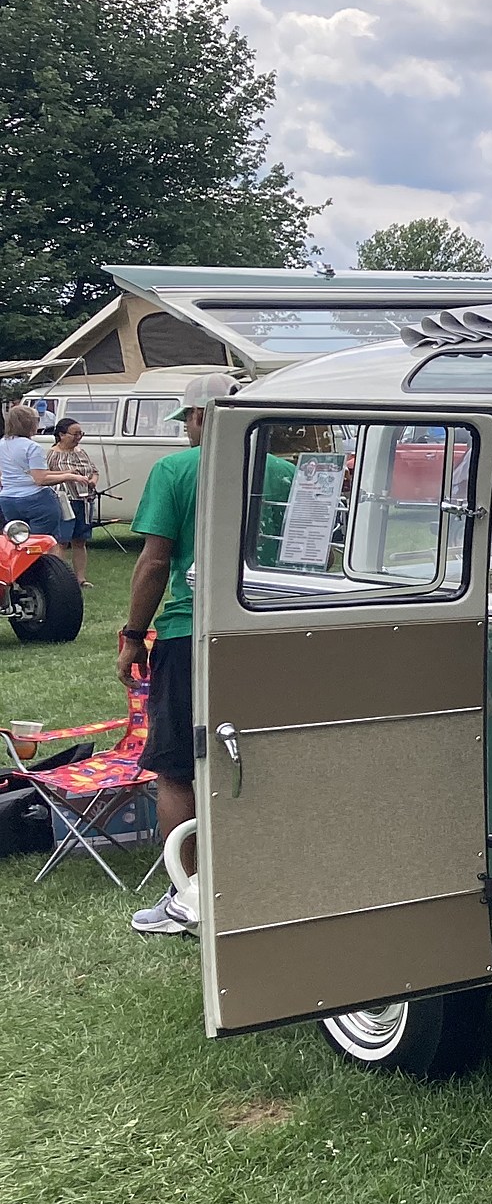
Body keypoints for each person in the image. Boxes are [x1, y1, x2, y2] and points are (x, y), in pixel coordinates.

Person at [124, 373, 237, 938]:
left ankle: (188, 897)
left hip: (186, 633)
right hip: (263, 630)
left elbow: (153, 562)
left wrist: (130, 636)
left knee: (175, 767)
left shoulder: (174, 470)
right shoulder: (285, 471)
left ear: (196, 418)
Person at [0, 405, 79, 537]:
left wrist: (64, 472)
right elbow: (40, 479)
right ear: (30, 423)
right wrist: (69, 477)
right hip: (35, 499)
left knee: (18, 539)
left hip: (8, 499)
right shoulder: (32, 447)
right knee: (44, 540)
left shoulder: (2, 443)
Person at [45, 419, 99, 584]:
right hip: (64, 501)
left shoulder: (81, 452)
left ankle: (80, 579)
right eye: (75, 434)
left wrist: (93, 481)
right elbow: (45, 476)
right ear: (61, 435)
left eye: (80, 434)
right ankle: (59, 579)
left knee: (80, 540)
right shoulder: (52, 454)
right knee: (62, 541)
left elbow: (94, 471)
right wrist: (69, 474)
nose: (78, 438)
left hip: (84, 501)